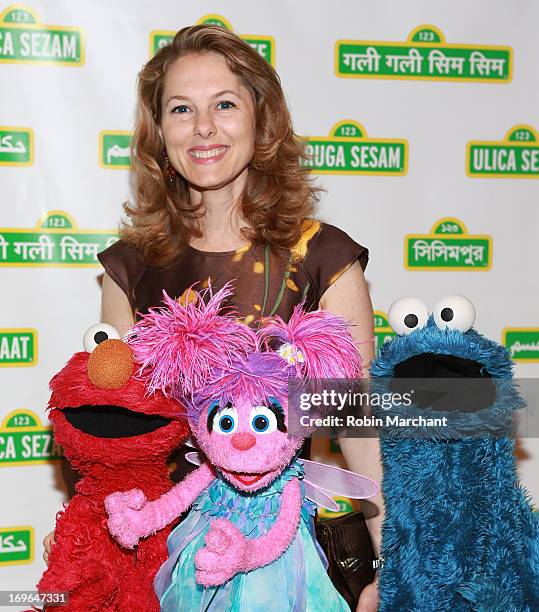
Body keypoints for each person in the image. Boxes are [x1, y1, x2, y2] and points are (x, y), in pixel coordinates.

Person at [43, 24, 383, 611]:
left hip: (293, 554)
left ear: (263, 120)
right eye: (181, 109)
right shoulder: (131, 267)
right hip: (166, 554)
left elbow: (359, 428)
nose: (203, 127)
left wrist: (386, 561)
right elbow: (121, 440)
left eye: (224, 104)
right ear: (159, 134)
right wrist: (90, 536)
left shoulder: (322, 257)